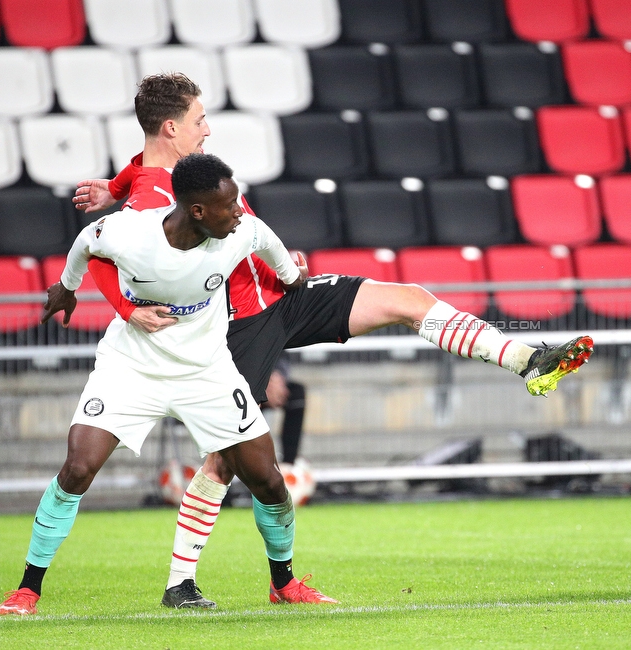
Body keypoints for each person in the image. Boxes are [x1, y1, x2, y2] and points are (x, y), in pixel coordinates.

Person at [71, 73, 595, 608]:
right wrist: (129, 307)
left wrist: (108, 188)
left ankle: (528, 359)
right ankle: (181, 582)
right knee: (224, 461)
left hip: (284, 295)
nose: (207, 129)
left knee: (406, 298)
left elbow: (140, 169)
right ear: (171, 126)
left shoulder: (160, 173)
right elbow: (103, 249)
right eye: (199, 119)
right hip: (239, 325)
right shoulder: (152, 197)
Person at [0, 153, 339, 617]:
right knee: (78, 467)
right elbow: (85, 241)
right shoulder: (129, 232)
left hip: (207, 371)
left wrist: (295, 276)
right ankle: (27, 590)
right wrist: (67, 286)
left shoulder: (243, 232)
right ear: (197, 210)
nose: (240, 211)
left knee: (270, 482)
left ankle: (283, 582)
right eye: (230, 204)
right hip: (131, 367)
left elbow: (278, 255)